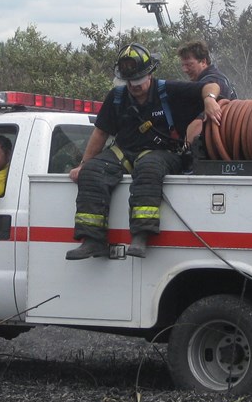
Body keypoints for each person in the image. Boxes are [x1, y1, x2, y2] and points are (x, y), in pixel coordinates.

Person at [67, 43, 223, 259]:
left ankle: (141, 235)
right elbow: (100, 133)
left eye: (139, 81)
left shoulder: (169, 90)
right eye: (130, 82)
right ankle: (93, 239)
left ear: (150, 74)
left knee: (148, 168)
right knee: (93, 171)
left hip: (163, 153)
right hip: (125, 152)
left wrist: (209, 100)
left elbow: (212, 86)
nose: (135, 86)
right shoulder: (117, 97)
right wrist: (83, 164)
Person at [177, 40, 237, 149]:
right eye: (183, 65)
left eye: (189, 64)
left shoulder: (213, 80)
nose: (184, 69)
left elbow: (200, 122)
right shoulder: (214, 77)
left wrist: (184, 152)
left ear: (203, 62)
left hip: (224, 143)